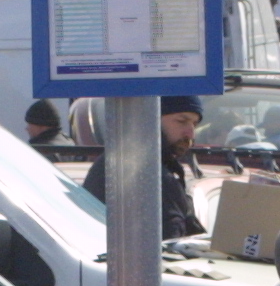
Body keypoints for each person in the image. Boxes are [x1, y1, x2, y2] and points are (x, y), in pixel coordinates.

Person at [82, 95, 205, 239]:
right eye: (181, 121)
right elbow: (169, 240)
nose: (190, 133)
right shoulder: (143, 172)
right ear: (151, 118)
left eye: (195, 124)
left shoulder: (125, 160)